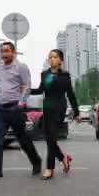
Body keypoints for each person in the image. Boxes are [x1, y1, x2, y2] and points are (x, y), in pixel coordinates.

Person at [0, 42, 42, 179]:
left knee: (22, 138)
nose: (4, 54)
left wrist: (21, 103)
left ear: (13, 53)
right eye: (2, 51)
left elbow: (27, 86)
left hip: (15, 108)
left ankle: (36, 161)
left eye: (7, 51)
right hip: (0, 109)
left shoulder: (21, 67)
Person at [31, 49, 80, 180]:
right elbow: (40, 90)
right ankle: (64, 158)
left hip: (59, 108)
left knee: (51, 139)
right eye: (50, 57)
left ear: (60, 60)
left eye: (55, 57)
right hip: (47, 108)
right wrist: (27, 90)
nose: (52, 59)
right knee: (50, 139)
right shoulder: (44, 74)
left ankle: (49, 169)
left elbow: (70, 94)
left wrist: (76, 112)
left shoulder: (65, 75)